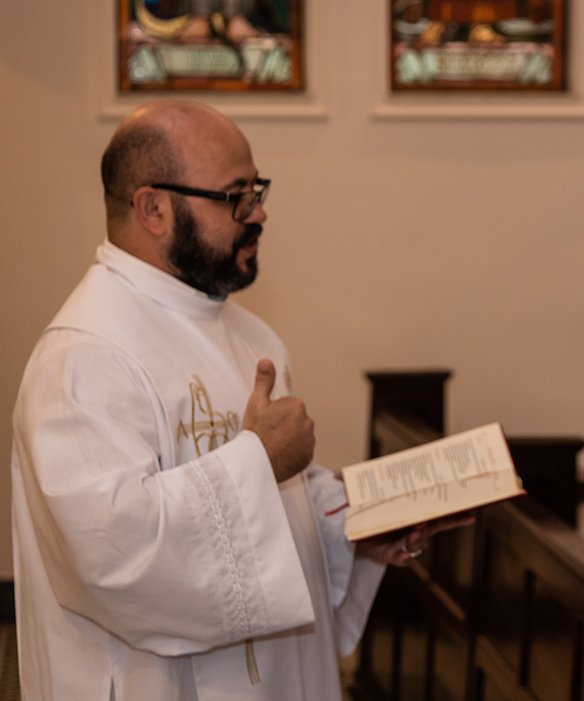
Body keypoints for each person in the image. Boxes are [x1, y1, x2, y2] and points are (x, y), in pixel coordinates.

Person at [11, 100, 441, 700]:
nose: (259, 211)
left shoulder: (247, 333)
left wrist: (348, 524)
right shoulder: (85, 356)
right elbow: (111, 558)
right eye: (236, 194)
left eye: (257, 189)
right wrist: (258, 462)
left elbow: (280, 499)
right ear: (153, 208)